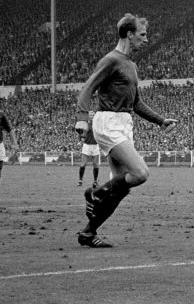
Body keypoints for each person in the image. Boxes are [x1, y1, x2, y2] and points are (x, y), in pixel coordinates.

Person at [75, 13, 178, 248]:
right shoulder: (111, 60)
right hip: (108, 122)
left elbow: (137, 103)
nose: (146, 39)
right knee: (140, 173)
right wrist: (81, 117)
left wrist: (160, 120)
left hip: (124, 123)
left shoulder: (131, 65)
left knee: (120, 189)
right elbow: (88, 87)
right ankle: (94, 193)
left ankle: (88, 233)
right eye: (142, 34)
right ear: (129, 35)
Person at [75, 110, 101, 186]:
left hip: (95, 146)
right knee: (83, 164)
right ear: (88, 115)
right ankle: (80, 180)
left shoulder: (97, 124)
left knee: (95, 164)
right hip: (86, 145)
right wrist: (80, 141)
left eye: (93, 115)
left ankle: (95, 181)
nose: (92, 116)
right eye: (90, 114)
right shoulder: (85, 124)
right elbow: (80, 133)